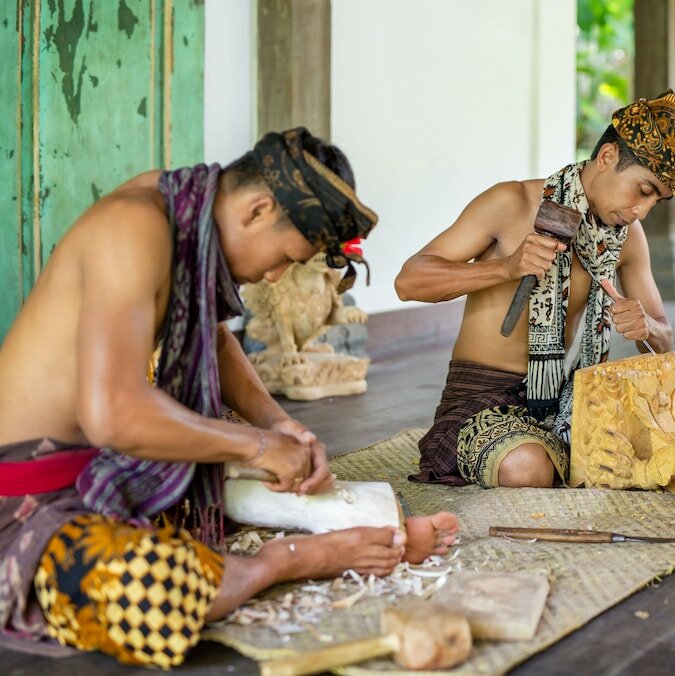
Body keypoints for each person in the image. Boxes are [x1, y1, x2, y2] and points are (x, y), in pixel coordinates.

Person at [0, 128, 458, 668]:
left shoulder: (179, 215)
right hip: (26, 503)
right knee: (156, 590)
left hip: (106, 471)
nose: (276, 274)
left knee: (222, 456)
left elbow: (212, 337)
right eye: (286, 256)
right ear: (259, 208)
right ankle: (285, 560)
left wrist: (280, 424)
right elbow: (113, 415)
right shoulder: (134, 225)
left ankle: (358, 520)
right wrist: (257, 445)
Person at [396, 91, 675, 490]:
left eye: (657, 201)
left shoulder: (627, 238)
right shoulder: (511, 203)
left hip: (574, 396)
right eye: (644, 190)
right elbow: (409, 281)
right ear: (607, 158)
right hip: (484, 398)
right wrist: (505, 268)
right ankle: (580, 456)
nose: (642, 211)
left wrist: (647, 327)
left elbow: (665, 340)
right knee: (526, 469)